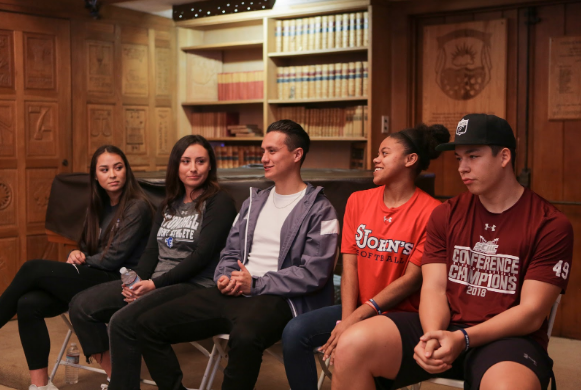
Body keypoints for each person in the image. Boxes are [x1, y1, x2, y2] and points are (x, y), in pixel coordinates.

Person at [332, 114, 573, 390]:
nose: (462, 168)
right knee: (351, 346)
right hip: (442, 326)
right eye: (459, 158)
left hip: (505, 338)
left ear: (504, 156)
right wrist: (434, 333)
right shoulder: (445, 214)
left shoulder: (550, 224)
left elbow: (531, 312)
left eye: (473, 156)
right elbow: (434, 288)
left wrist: (464, 339)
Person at [129, 120, 339, 390]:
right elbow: (230, 251)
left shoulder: (320, 210)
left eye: (272, 151)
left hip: (281, 298)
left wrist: (257, 284)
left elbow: (315, 273)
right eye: (263, 151)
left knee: (245, 336)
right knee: (147, 324)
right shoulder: (253, 202)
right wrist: (225, 277)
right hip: (235, 290)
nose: (263, 158)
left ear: (296, 155)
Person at [282, 124, 450, 390]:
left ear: (410, 159)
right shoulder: (358, 201)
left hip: (401, 314)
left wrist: (355, 321)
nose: (375, 159)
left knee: (359, 353)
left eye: (384, 153)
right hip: (357, 308)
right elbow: (350, 267)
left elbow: (412, 279)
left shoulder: (433, 212)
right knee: (295, 332)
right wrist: (346, 320)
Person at [68, 135, 237, 390]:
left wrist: (153, 285)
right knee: (82, 304)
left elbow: (202, 256)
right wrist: (135, 282)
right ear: (176, 166)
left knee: (124, 322)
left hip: (193, 285)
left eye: (200, 161)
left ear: (210, 165)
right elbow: (150, 253)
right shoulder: (167, 204)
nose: (193, 168)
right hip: (155, 281)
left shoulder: (219, 201)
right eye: (186, 161)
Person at [0, 145, 153, 390]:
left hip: (120, 281)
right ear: (95, 175)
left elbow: (113, 259)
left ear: (127, 171)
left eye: (118, 167)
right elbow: (87, 248)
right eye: (104, 169)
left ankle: (118, 379)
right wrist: (76, 252)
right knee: (28, 303)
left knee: (32, 268)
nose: (112, 174)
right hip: (95, 274)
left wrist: (85, 259)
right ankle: (40, 386)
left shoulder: (137, 207)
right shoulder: (98, 207)